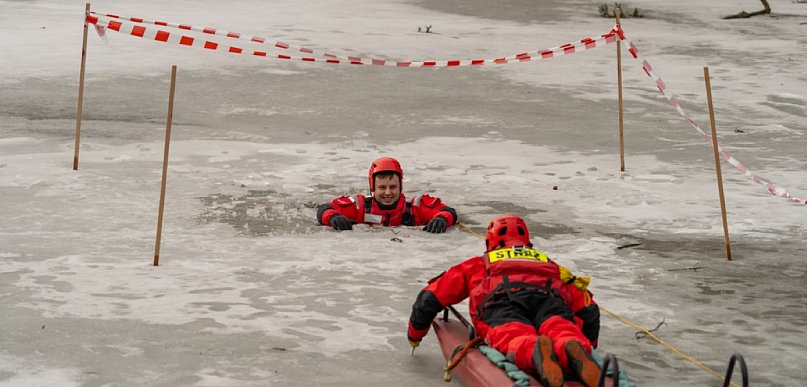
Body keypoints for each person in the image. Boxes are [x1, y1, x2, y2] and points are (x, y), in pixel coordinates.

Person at [406, 215, 602, 387]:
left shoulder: (481, 263)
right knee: (560, 325)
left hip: (502, 301)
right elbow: (588, 307)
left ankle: (535, 352)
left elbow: (430, 297)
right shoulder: (550, 264)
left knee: (513, 335)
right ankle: (572, 346)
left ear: (489, 243)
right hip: (549, 298)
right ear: (528, 242)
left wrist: (415, 336)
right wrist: (590, 344)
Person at [317, 157, 457, 233]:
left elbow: (448, 212)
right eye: (382, 187)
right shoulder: (359, 207)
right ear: (373, 187)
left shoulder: (415, 208)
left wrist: (442, 219)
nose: (388, 192)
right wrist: (334, 217)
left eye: (393, 187)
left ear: (400, 186)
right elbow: (324, 209)